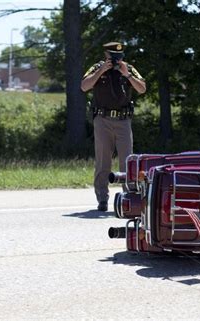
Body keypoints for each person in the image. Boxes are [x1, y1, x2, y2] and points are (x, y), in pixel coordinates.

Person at [81, 42, 146, 211]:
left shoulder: (128, 69)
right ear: (106, 55)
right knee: (103, 161)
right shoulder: (97, 68)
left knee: (128, 162)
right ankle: (102, 199)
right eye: (113, 57)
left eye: (120, 57)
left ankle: (129, 198)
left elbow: (142, 89)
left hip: (123, 121)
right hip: (103, 120)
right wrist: (101, 71)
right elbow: (84, 86)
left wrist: (128, 75)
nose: (117, 60)